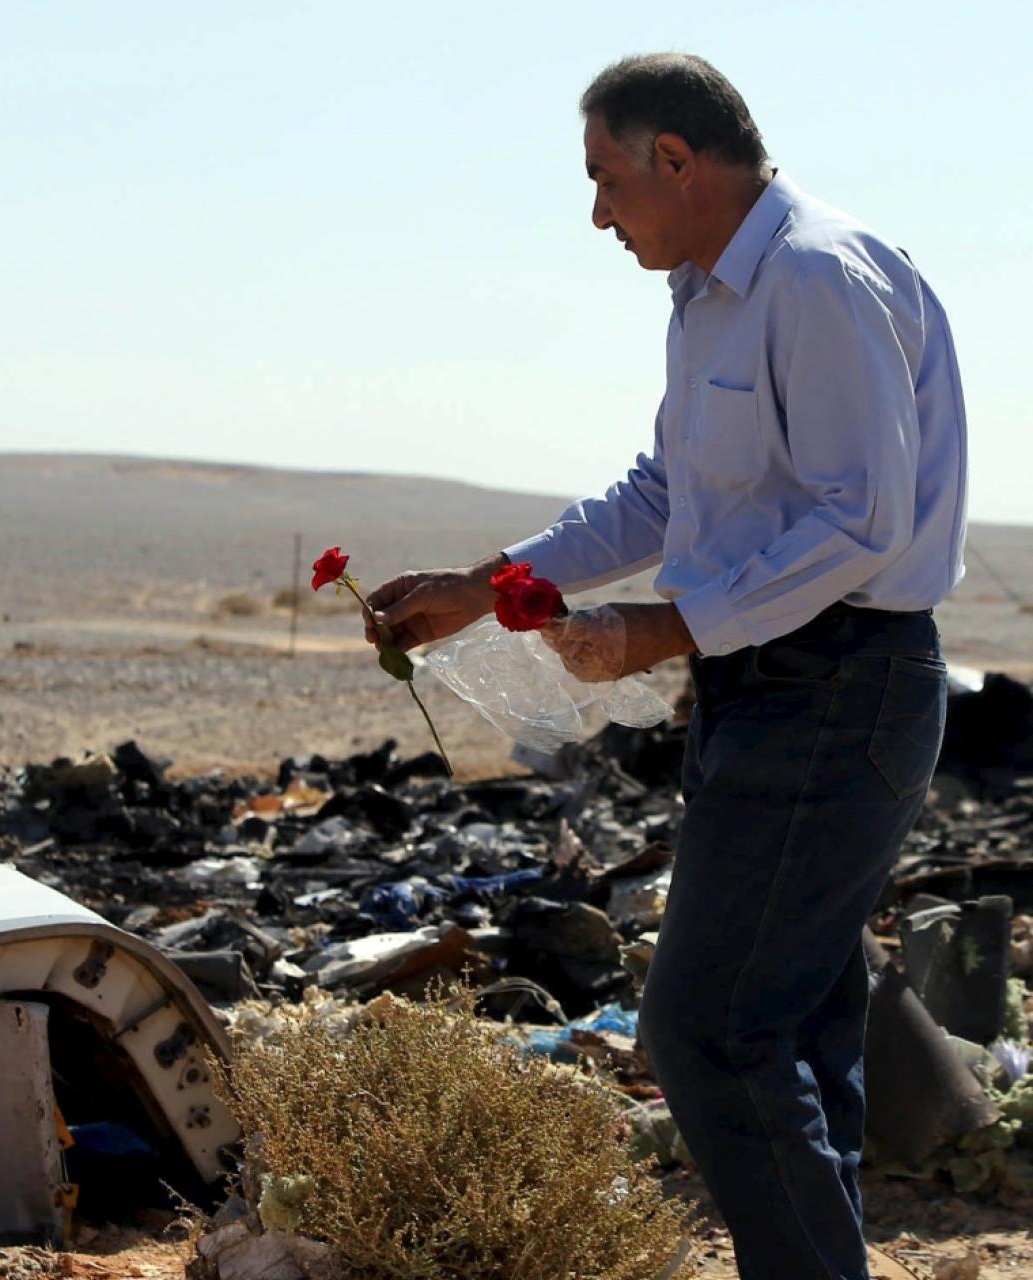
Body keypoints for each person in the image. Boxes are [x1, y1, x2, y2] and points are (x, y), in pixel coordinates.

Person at [364, 53, 966, 1280]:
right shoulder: (706, 291)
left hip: (840, 686)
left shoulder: (813, 275)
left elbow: (862, 521)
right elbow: (664, 494)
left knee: (705, 1029)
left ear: (675, 160)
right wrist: (486, 585)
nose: (597, 215)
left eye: (603, 179)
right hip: (769, 691)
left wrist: (661, 629)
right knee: (790, 1027)